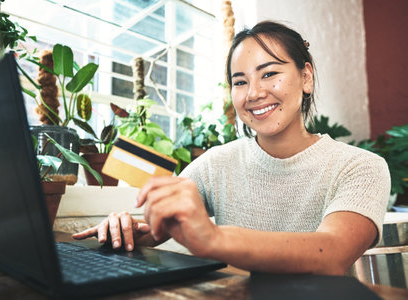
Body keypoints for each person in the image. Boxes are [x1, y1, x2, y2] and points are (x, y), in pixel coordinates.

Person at [73, 21, 390, 275]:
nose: (254, 93)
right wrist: (124, 229)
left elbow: (331, 254)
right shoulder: (216, 164)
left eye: (269, 74)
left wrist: (213, 239)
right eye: (240, 82)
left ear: (306, 77)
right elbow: (157, 227)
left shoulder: (360, 167)